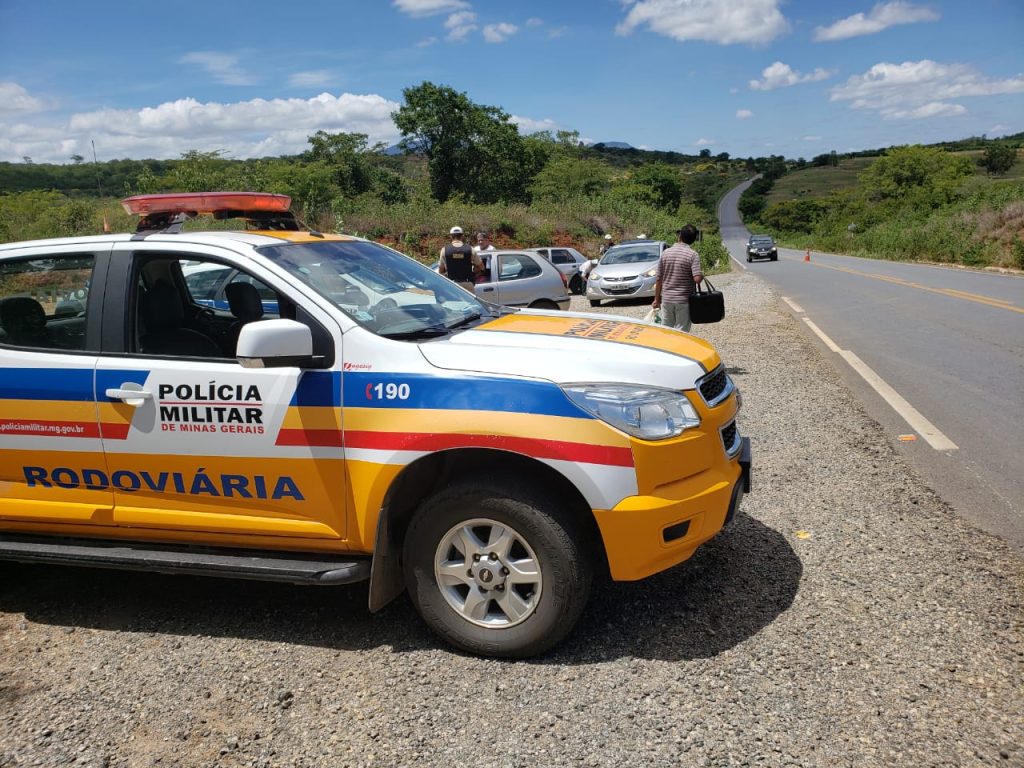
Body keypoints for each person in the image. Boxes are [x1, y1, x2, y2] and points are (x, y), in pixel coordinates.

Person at [652, 224, 703, 332]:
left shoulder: (665, 253)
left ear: (679, 236)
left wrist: (656, 299)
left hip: (667, 299)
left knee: (666, 329)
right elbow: (697, 279)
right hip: (683, 300)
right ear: (693, 240)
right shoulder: (693, 255)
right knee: (682, 330)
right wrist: (701, 274)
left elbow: (659, 278)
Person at [438, 226, 482, 291]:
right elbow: (481, 267)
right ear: (462, 236)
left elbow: (441, 271)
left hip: (452, 285)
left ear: (451, 237)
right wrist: (475, 273)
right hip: (467, 284)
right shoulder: (470, 249)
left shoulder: (444, 250)